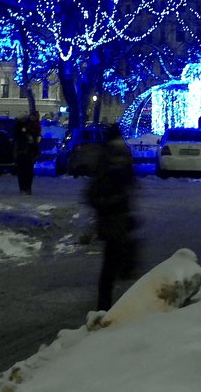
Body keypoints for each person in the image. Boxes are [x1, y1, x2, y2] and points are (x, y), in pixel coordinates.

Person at [83, 122, 139, 311]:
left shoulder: (105, 154)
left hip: (107, 214)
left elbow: (95, 183)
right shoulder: (124, 153)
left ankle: (104, 305)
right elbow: (131, 182)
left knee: (109, 262)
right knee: (118, 255)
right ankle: (125, 300)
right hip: (121, 213)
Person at [13, 111, 41, 195]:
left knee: (24, 171)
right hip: (26, 152)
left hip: (26, 152)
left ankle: (25, 188)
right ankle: (26, 188)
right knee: (25, 171)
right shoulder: (27, 126)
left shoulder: (29, 126)